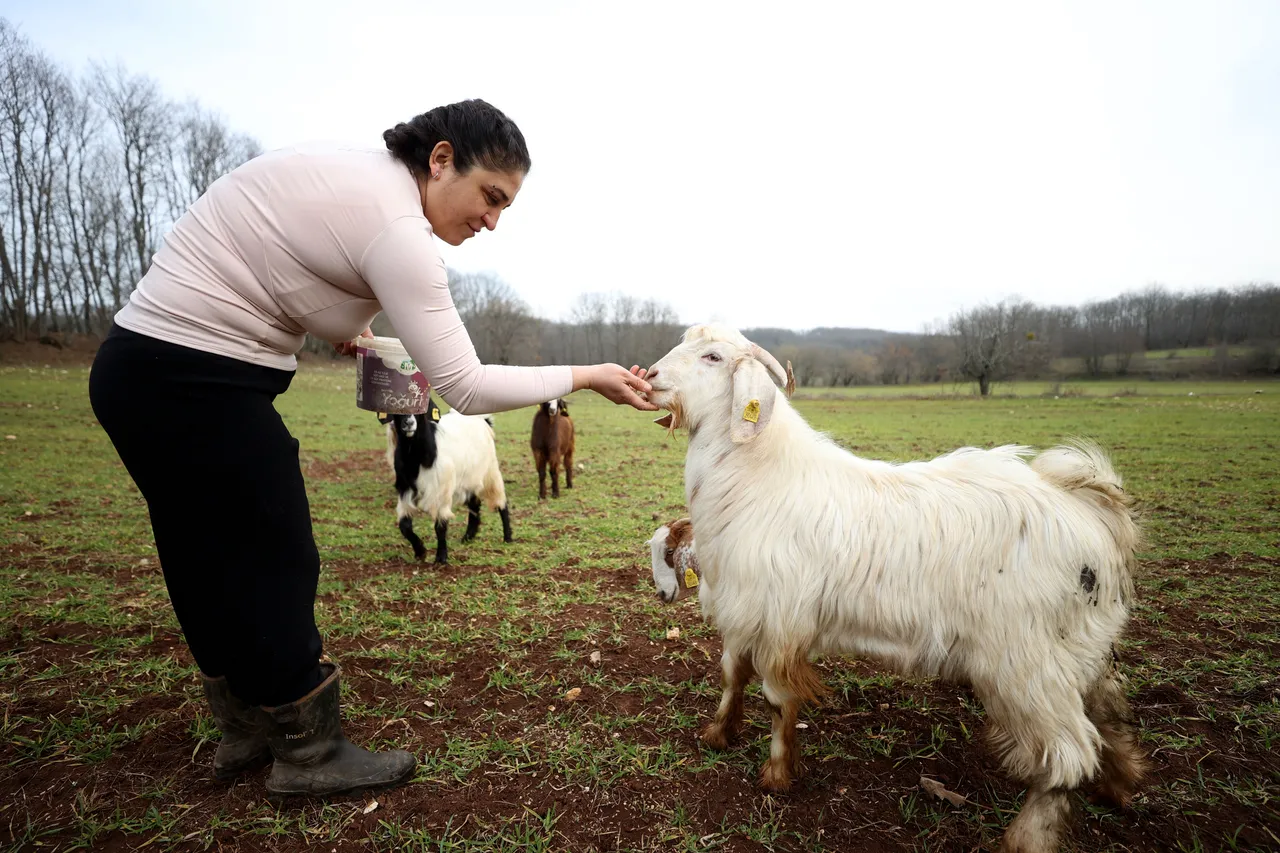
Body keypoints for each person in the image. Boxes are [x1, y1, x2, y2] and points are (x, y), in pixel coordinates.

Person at [87, 99, 656, 799]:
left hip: (135, 370)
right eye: (490, 196)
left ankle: (245, 727)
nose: (492, 220)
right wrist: (591, 374)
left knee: (201, 552)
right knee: (279, 546)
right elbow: (467, 385)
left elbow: (277, 266)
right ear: (441, 160)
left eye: (506, 206)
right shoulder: (399, 229)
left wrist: (343, 331)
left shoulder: (365, 184)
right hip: (195, 377)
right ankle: (307, 746)